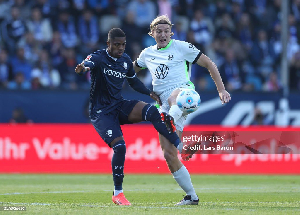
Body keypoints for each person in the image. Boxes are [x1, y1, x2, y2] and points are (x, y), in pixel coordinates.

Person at [75, 28, 192, 206]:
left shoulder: (125, 60)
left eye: (123, 45)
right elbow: (87, 64)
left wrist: (149, 93)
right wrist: (82, 68)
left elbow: (133, 81)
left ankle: (179, 145)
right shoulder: (99, 57)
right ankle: (118, 194)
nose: (120, 48)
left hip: (119, 105)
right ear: (108, 44)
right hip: (101, 112)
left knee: (153, 112)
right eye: (116, 45)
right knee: (120, 147)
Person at [133, 15, 231, 205]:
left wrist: (221, 90)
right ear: (152, 33)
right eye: (158, 31)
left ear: (171, 33)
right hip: (165, 105)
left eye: (166, 31)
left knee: (173, 98)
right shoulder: (147, 54)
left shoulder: (182, 47)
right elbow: (130, 72)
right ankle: (191, 195)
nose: (162, 34)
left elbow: (209, 63)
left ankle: (175, 132)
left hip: (185, 95)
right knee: (168, 154)